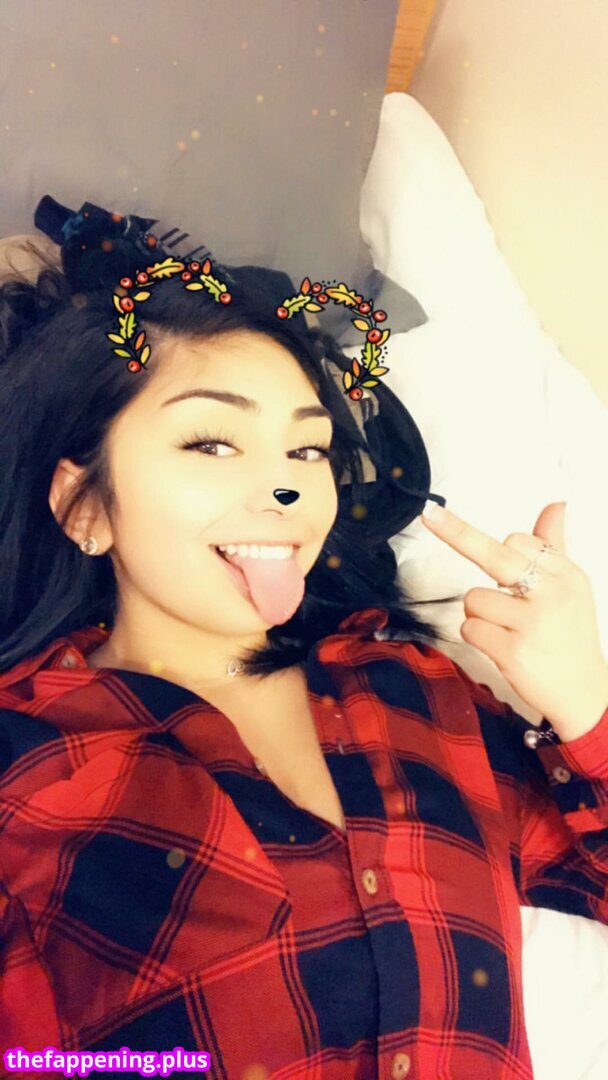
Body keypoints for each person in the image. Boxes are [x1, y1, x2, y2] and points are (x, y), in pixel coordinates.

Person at [0, 213, 606, 1080]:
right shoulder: (27, 773)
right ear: (84, 505)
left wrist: (586, 702)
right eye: (213, 442)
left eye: (307, 448)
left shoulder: (421, 693)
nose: (285, 490)